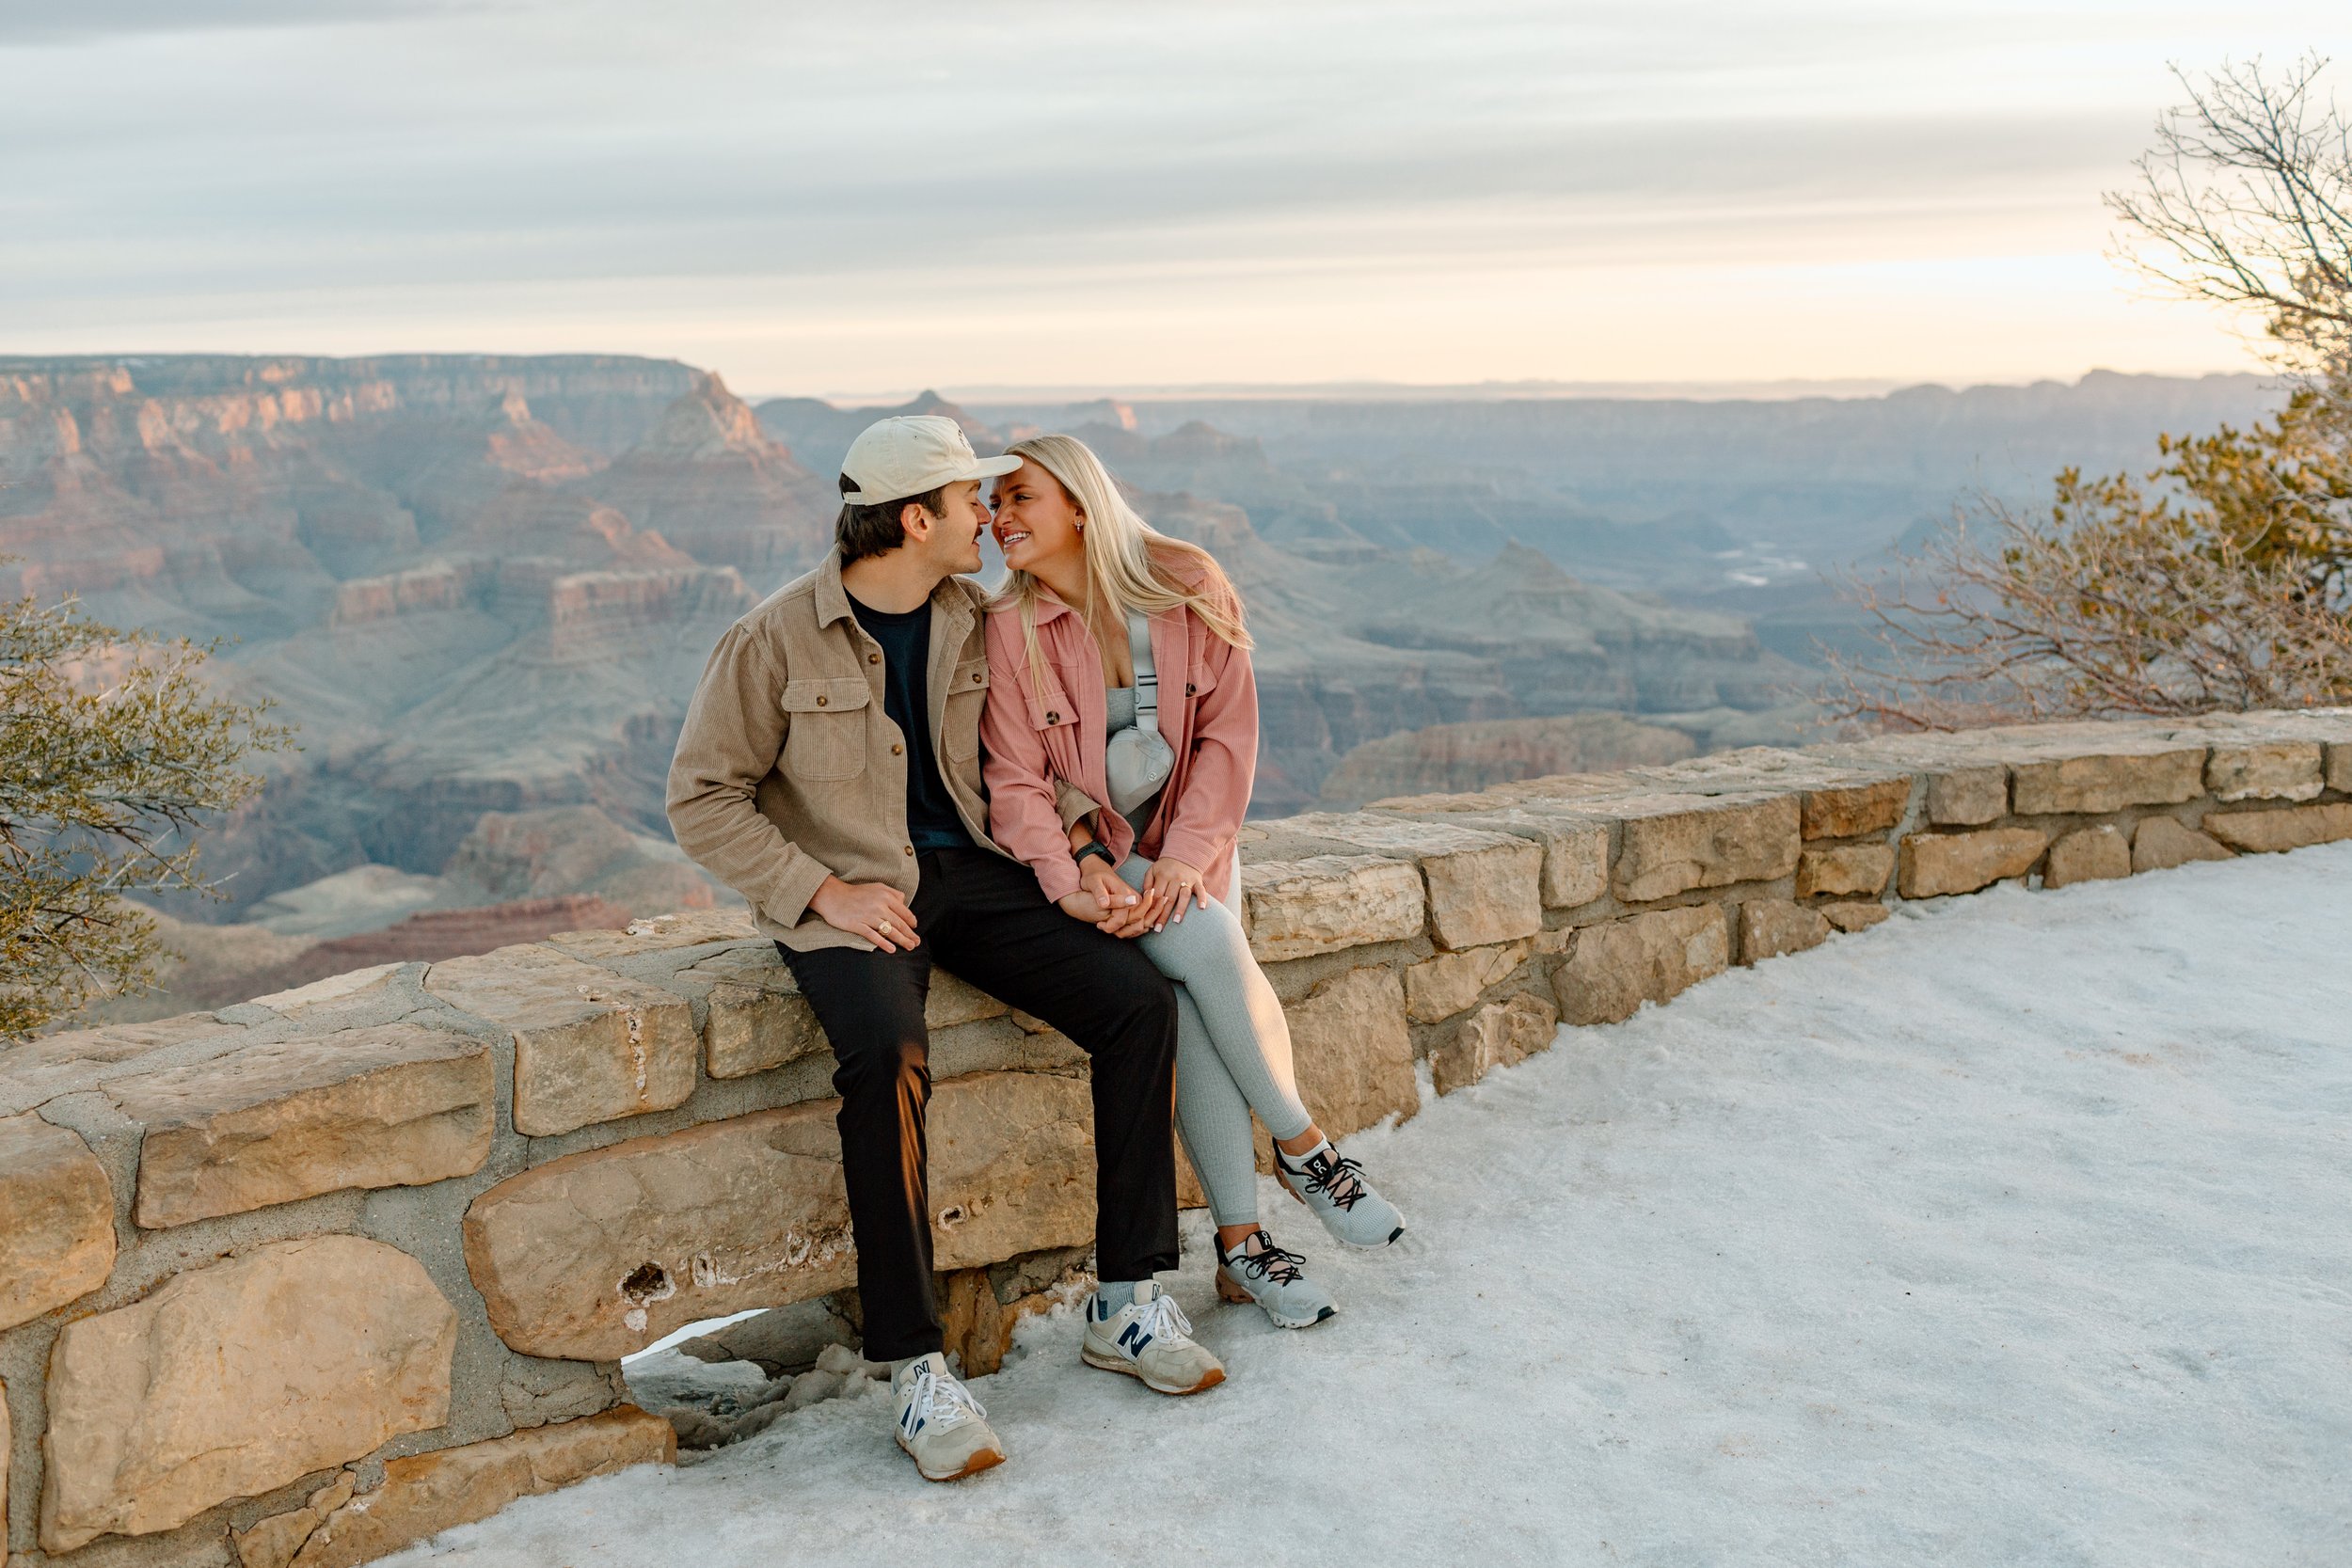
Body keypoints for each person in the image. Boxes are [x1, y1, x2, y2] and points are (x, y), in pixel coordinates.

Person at [666, 415, 1225, 1485]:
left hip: (974, 870)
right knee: (885, 1055)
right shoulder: (771, 638)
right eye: (972, 501)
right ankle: (916, 1367)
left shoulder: (982, 617)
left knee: (1134, 1003)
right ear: (914, 518)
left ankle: (1127, 1301)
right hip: (845, 894)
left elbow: (1030, 756)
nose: (989, 515)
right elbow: (702, 798)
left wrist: (1078, 847)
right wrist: (821, 887)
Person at [978, 434, 1406, 1333]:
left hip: (1197, 846)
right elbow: (1016, 782)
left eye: (1019, 497)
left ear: (1082, 504)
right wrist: (1077, 873)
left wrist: (1188, 857)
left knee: (1193, 1005)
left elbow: (1227, 734)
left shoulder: (1185, 581)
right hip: (1097, 858)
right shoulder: (1006, 627)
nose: (997, 516)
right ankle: (1303, 1147)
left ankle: (1243, 1251)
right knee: (1207, 948)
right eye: (993, 503)